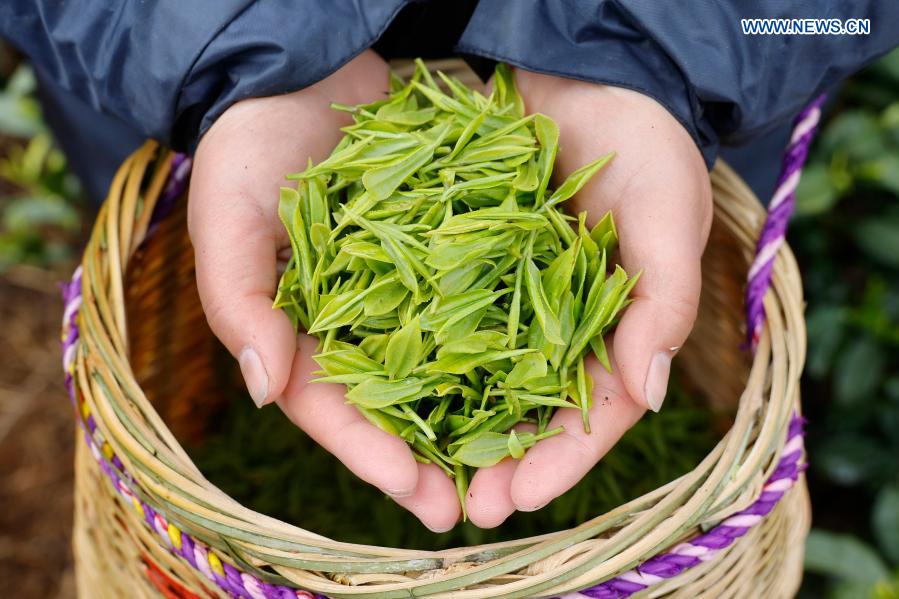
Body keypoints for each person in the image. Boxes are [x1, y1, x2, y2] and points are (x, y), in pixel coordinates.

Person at [3, 1, 898, 533]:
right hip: (166, 68)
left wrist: (662, 46)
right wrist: (224, 42)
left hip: (699, 80)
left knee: (673, 245)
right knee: (171, 239)